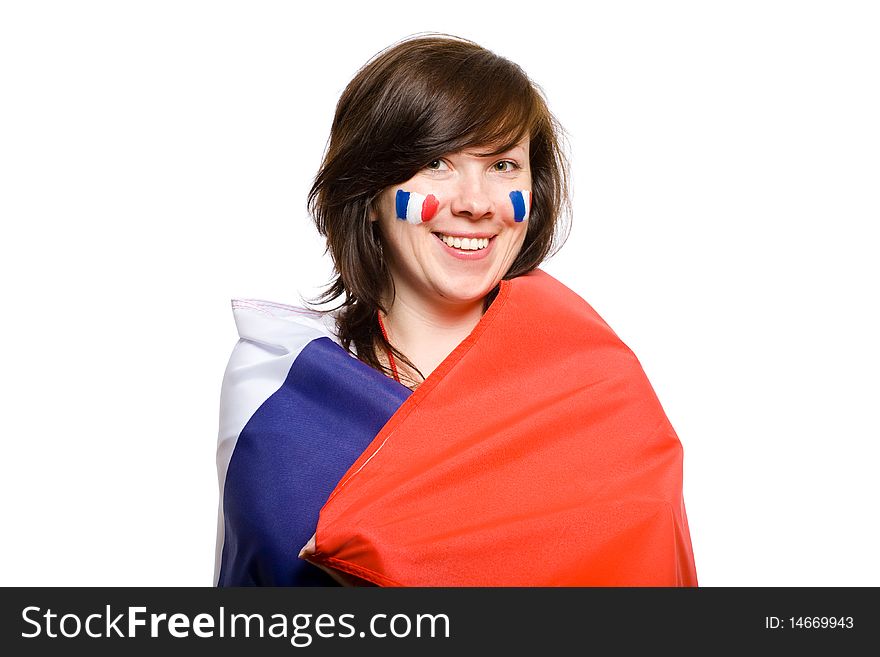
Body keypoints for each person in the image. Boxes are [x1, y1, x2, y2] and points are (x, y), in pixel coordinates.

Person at [214, 33, 698, 587]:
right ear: (369, 193)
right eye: (437, 162)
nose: (474, 202)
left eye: (503, 166)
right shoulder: (282, 384)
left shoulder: (595, 381)